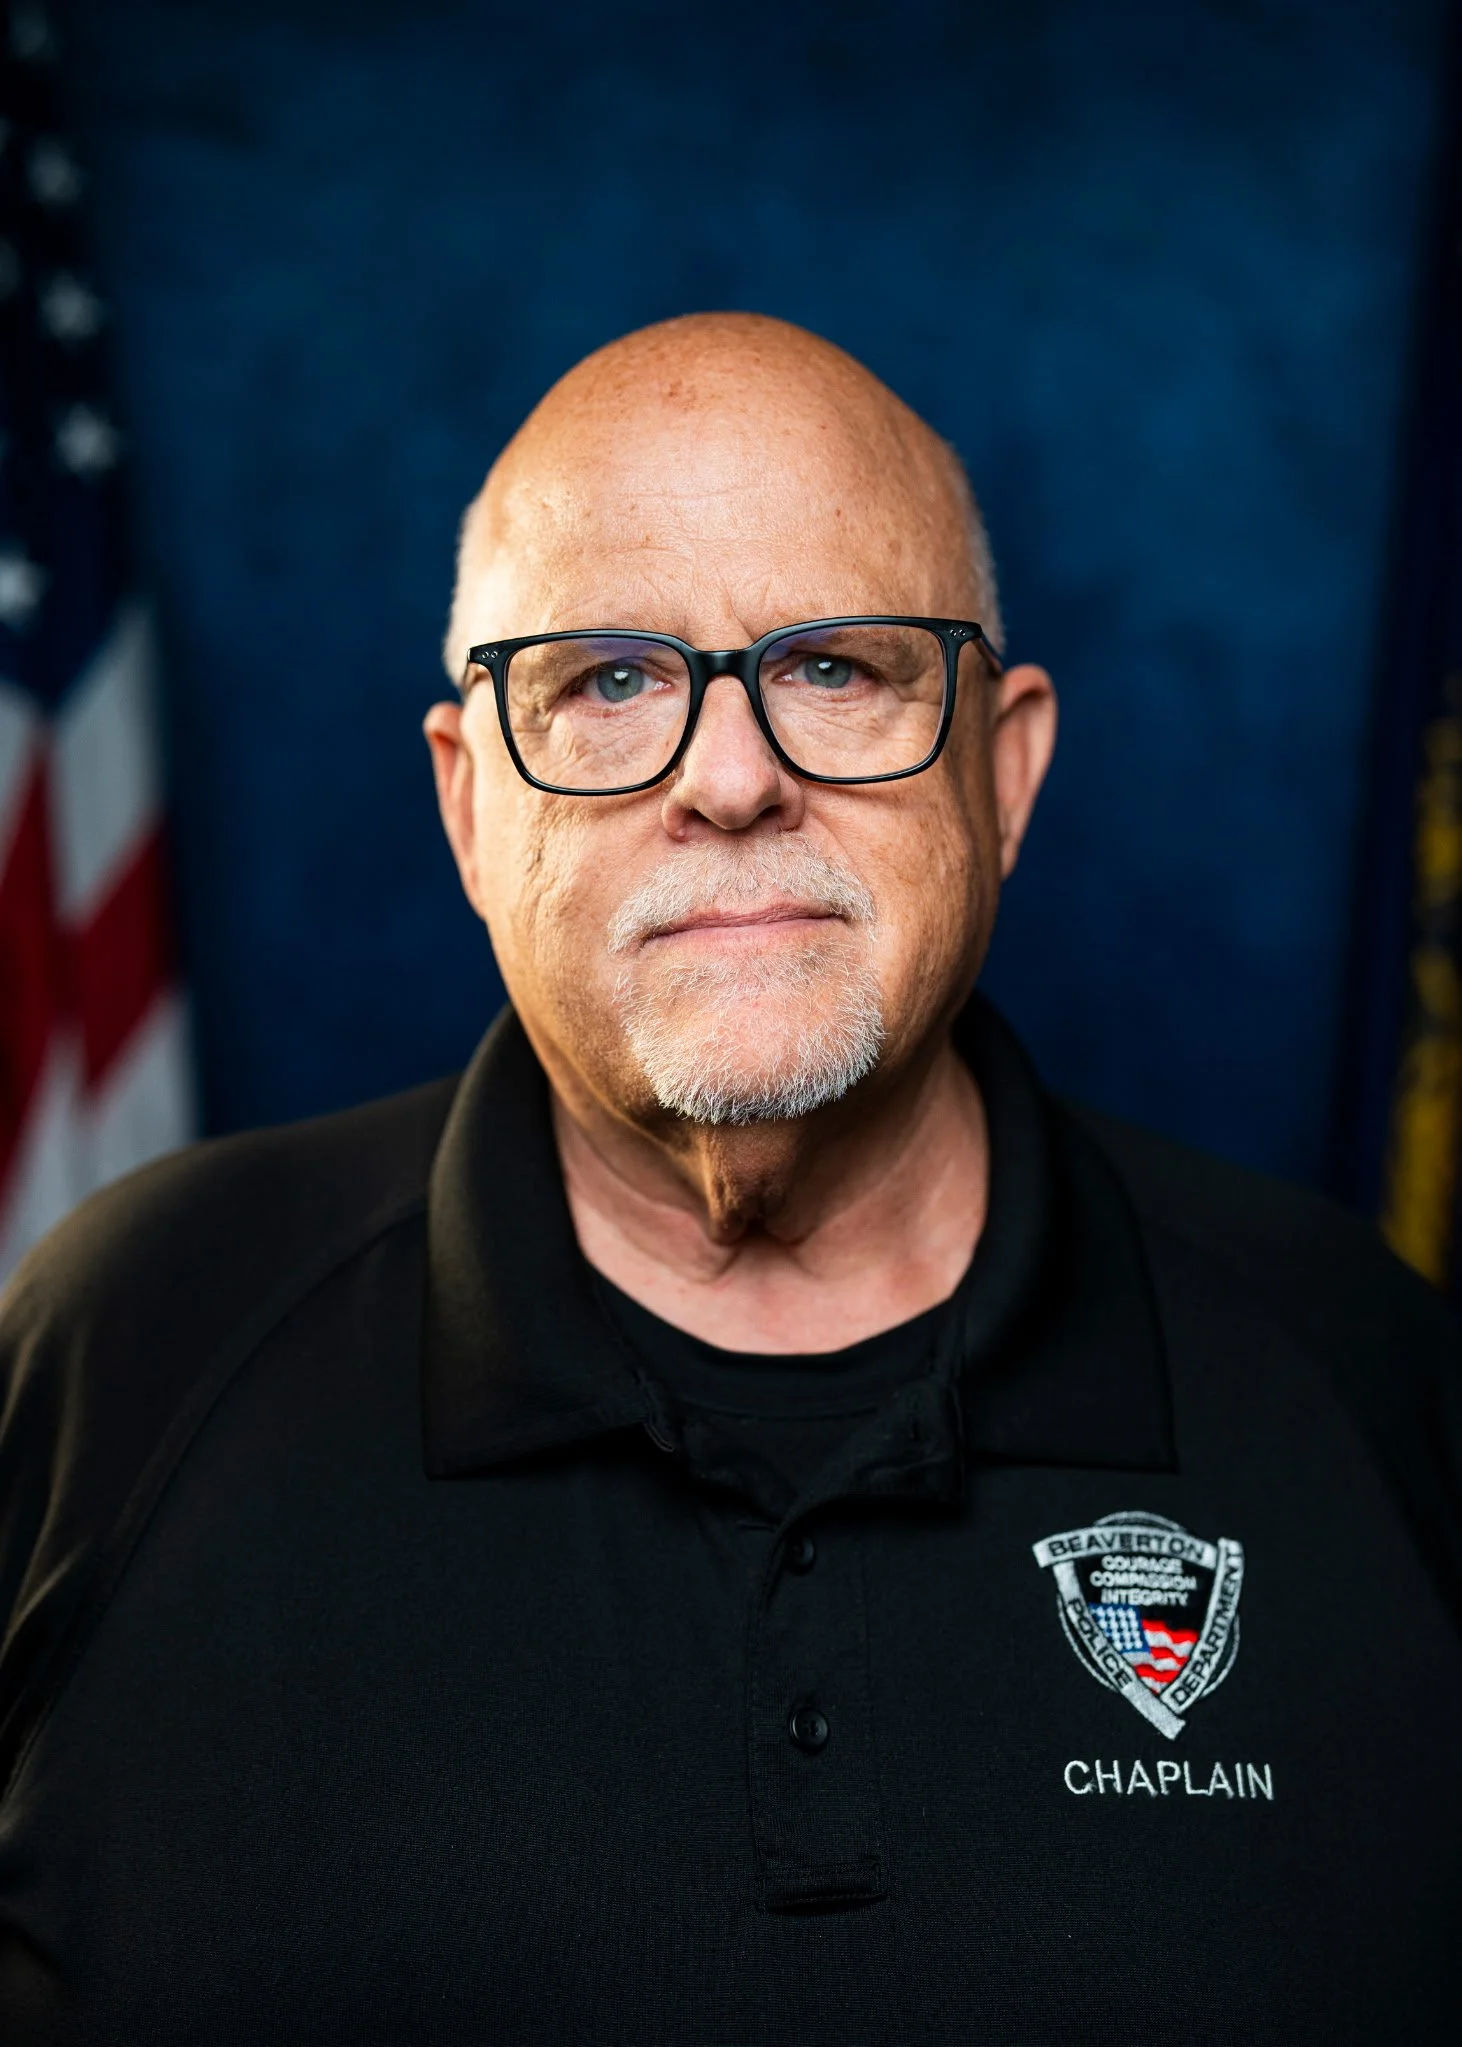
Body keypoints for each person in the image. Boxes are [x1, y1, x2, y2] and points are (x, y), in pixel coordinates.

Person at [0, 314, 1458, 2045]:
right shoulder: (127, 1353)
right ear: (469, 809)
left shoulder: (1362, 1369)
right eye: (606, 683)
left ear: (1003, 771)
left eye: (835, 666)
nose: (732, 777)